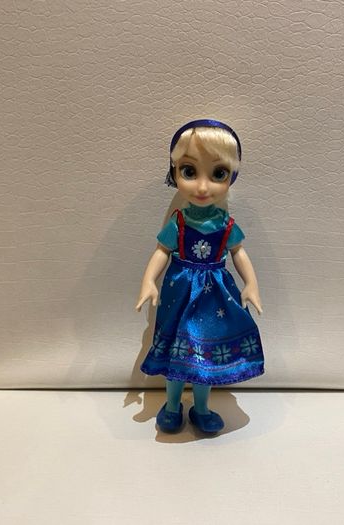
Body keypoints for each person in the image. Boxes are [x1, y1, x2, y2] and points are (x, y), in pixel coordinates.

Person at [136, 119, 264, 434]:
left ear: (231, 176)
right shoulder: (178, 223)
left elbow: (239, 253)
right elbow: (161, 251)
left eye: (218, 174)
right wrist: (148, 281)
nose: (203, 187)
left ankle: (202, 407)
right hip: (179, 292)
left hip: (214, 297)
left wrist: (251, 284)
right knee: (177, 353)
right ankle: (171, 405)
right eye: (189, 172)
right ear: (174, 173)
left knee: (205, 355)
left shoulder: (226, 225)